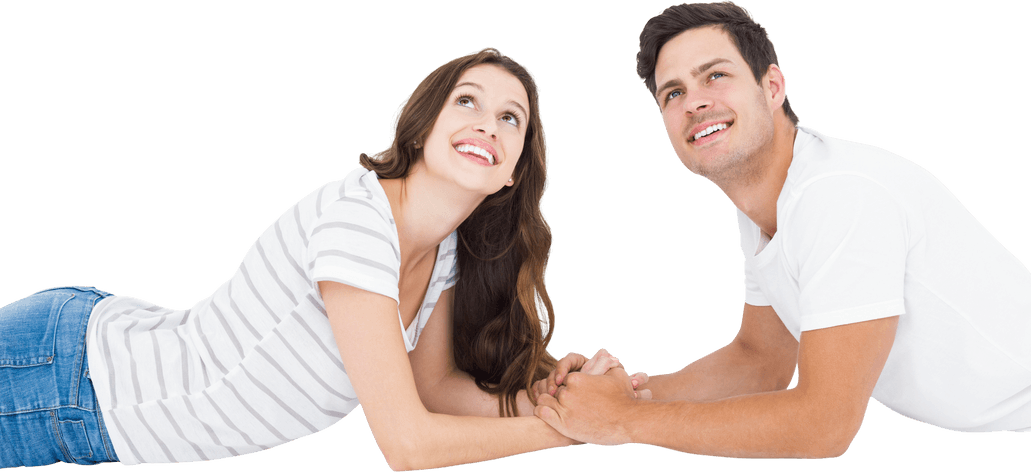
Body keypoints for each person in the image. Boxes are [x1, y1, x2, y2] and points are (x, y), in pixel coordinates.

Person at [0, 47, 631, 471]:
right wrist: (571, 430)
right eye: (467, 101)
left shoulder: (441, 255)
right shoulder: (358, 224)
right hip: (60, 378)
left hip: (100, 405)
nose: (486, 124)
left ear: (512, 172)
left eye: (509, 118)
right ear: (422, 125)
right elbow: (407, 443)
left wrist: (549, 400)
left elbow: (433, 390)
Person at [532, 1, 1031, 458]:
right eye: (671, 93)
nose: (694, 101)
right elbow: (760, 359)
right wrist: (625, 396)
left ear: (772, 86)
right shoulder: (769, 205)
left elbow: (824, 426)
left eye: (715, 75)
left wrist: (625, 422)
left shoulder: (836, 196)